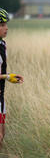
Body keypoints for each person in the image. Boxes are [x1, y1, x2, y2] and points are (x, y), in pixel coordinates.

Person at [0, 8, 24, 149]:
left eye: (6, 24)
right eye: (2, 25)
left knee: (2, 136)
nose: (6, 28)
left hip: (1, 98)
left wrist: (8, 77)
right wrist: (7, 77)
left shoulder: (3, 44)